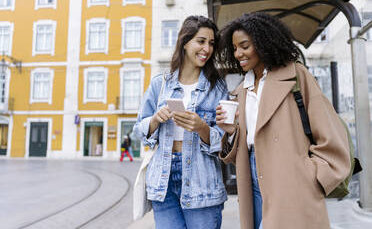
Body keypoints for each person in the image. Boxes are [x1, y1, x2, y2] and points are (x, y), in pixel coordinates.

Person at [215, 12, 350, 229]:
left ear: (262, 43)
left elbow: (329, 130)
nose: (238, 53)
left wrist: (312, 177)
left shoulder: (296, 76)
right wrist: (231, 130)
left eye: (245, 46)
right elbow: (248, 143)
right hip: (252, 178)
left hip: (291, 177)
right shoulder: (241, 89)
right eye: (234, 48)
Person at [134, 15, 228, 229]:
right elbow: (139, 129)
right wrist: (155, 120)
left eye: (211, 43)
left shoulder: (217, 88)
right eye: (201, 41)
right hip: (162, 180)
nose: (207, 49)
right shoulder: (161, 84)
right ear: (185, 43)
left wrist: (202, 128)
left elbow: (226, 141)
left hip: (201, 181)